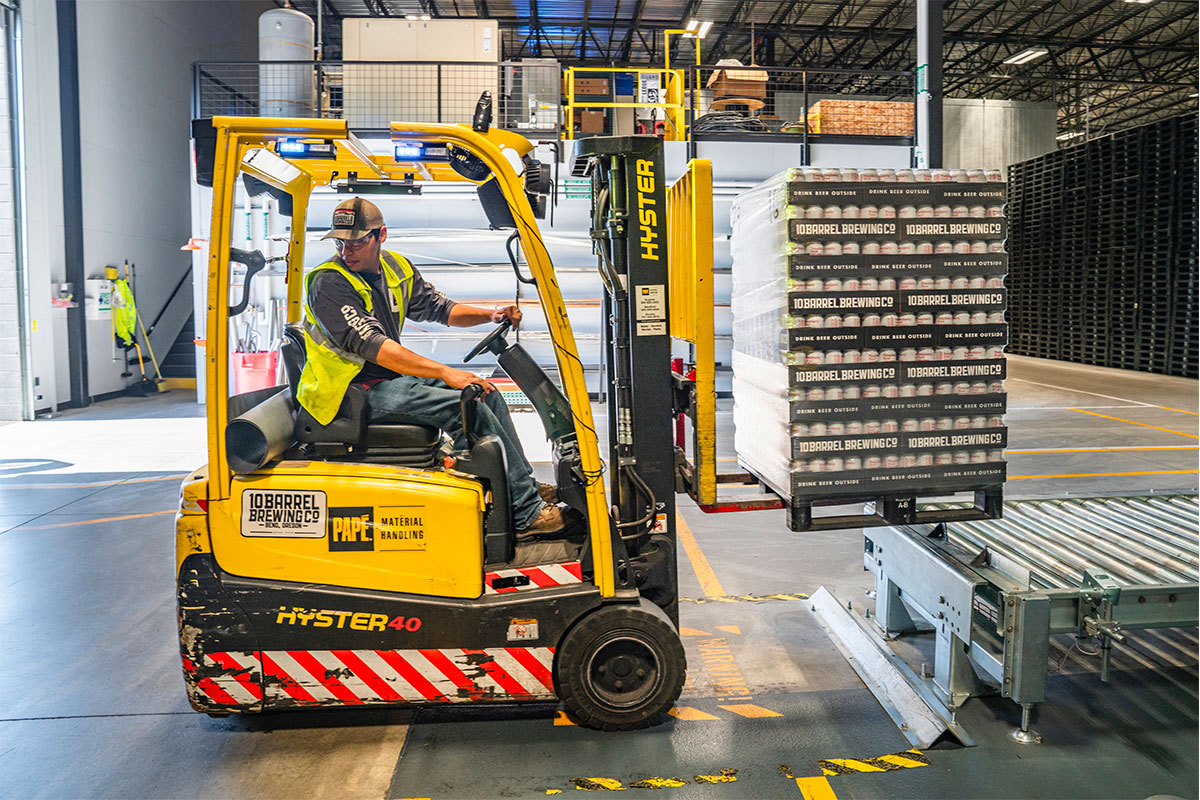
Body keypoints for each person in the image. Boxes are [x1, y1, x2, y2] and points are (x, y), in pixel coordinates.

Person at [297, 197, 566, 537]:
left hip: (384, 379)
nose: (346, 251)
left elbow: (440, 308)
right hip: (350, 393)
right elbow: (376, 348)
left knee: (486, 393)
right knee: (465, 407)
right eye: (341, 242)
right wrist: (443, 372)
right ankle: (526, 514)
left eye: (356, 241)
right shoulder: (330, 283)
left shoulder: (395, 268)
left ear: (381, 235)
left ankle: (520, 488)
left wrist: (490, 315)